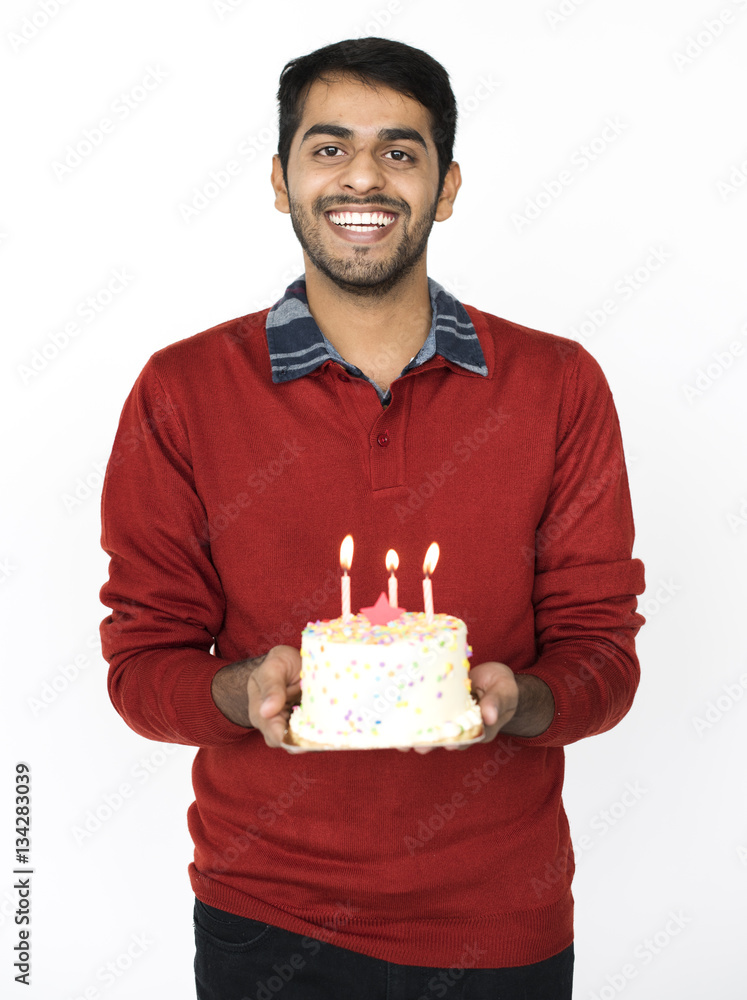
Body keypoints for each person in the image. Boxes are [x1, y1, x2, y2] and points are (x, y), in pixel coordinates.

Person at [99, 36, 645, 1000]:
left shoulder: (558, 384)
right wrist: (248, 695)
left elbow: (602, 657)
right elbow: (142, 668)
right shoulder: (181, 390)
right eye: (327, 147)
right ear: (279, 179)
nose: (363, 176)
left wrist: (515, 701)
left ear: (446, 186)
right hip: (263, 916)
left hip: (500, 923)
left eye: (400, 151)